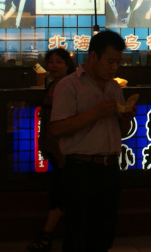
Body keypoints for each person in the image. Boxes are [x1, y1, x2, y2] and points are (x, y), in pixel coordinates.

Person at [50, 31, 138, 252]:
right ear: (93, 57)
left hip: (110, 170)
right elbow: (57, 128)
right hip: (81, 170)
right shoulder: (69, 85)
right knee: (79, 236)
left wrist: (125, 119)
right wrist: (95, 113)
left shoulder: (114, 88)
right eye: (110, 61)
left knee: (104, 235)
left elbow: (121, 130)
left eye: (118, 62)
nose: (114, 68)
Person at [28, 49, 78, 252]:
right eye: (51, 62)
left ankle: (46, 236)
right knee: (61, 190)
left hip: (63, 148)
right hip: (54, 146)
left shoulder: (68, 86)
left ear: (68, 65)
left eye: (59, 62)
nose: (54, 65)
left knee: (60, 191)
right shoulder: (54, 85)